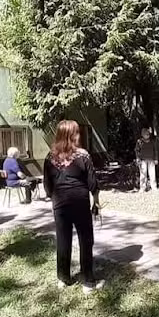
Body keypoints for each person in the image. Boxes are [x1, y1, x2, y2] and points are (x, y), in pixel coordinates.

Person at [43, 120, 103, 294]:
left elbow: (47, 185)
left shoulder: (49, 157)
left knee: (63, 240)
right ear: (71, 135)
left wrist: (54, 197)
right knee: (86, 240)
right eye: (76, 132)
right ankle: (88, 282)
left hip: (59, 204)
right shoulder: (83, 155)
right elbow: (92, 182)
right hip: (80, 202)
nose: (79, 135)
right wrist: (96, 201)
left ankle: (63, 278)